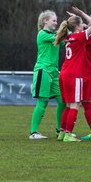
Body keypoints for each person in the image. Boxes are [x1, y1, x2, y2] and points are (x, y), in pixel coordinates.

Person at [54, 6, 91, 142]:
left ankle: (62, 132)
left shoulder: (69, 37)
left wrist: (77, 20)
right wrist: (81, 13)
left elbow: (86, 25)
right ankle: (68, 134)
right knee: (75, 105)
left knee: (68, 105)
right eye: (81, 25)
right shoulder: (80, 37)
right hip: (74, 75)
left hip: (64, 73)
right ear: (79, 26)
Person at [29, 10, 66, 140]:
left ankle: (59, 130)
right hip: (43, 70)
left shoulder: (55, 34)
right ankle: (33, 132)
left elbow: (64, 40)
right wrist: (67, 27)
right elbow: (59, 38)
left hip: (55, 72)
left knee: (63, 100)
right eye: (53, 20)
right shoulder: (42, 34)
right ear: (45, 21)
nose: (56, 23)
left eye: (56, 21)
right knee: (43, 102)